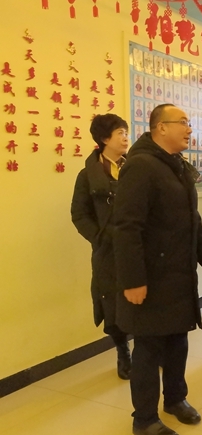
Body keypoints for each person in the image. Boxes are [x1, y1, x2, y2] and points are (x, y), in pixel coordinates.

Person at [113, 104, 202, 435]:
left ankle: (175, 399)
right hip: (152, 277)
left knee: (177, 341)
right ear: (160, 127)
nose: (189, 129)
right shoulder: (141, 166)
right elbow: (126, 227)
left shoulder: (177, 166)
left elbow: (191, 218)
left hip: (178, 273)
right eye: (183, 123)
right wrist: (133, 280)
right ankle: (144, 418)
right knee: (149, 348)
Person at [71, 113, 131, 380]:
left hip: (137, 247)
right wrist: (98, 237)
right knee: (112, 303)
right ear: (105, 139)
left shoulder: (137, 168)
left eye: (126, 132)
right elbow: (79, 214)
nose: (126, 138)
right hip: (107, 251)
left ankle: (150, 350)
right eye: (120, 133)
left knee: (145, 300)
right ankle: (123, 351)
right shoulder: (88, 175)